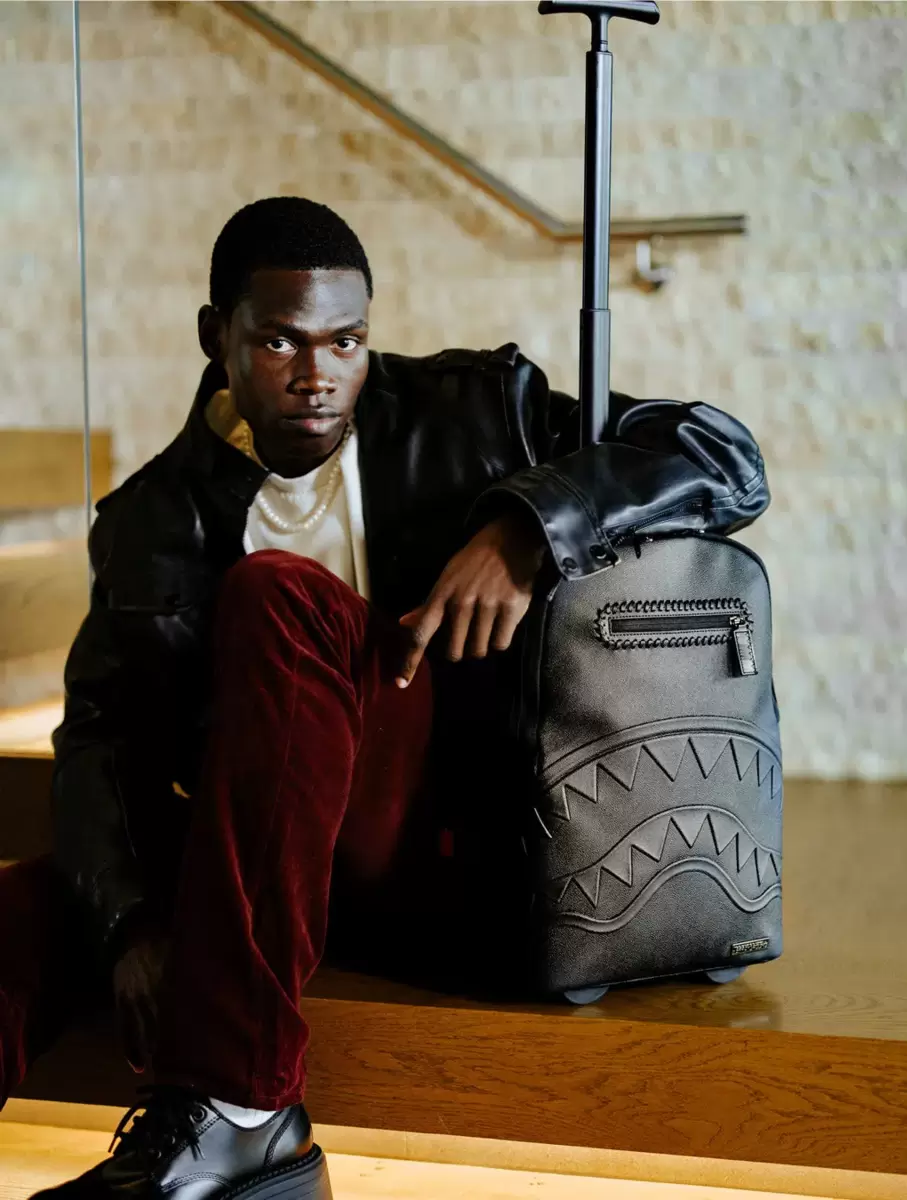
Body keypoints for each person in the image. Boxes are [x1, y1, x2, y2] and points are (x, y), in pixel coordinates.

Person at [1, 197, 769, 1199]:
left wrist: (531, 524)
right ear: (215, 336)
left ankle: (243, 1107)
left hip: (450, 841)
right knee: (20, 911)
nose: (318, 373)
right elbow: (100, 741)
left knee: (278, 596)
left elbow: (726, 458)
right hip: (265, 870)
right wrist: (131, 924)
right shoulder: (151, 517)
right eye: (280, 340)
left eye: (346, 341)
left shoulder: (471, 412)